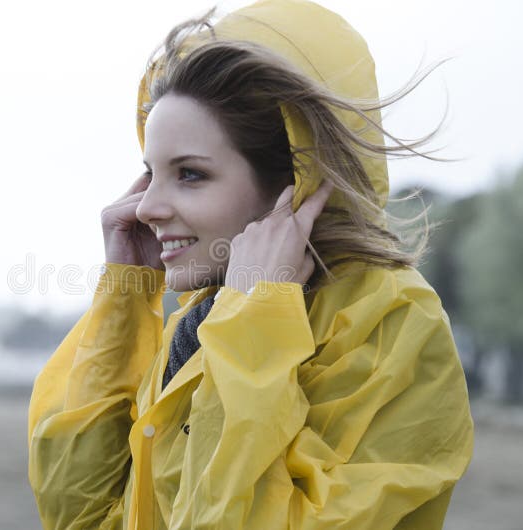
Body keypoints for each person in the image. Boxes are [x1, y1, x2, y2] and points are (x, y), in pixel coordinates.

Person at [27, 1, 474, 528]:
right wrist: (126, 297)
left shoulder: (393, 324)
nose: (144, 207)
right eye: (151, 173)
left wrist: (256, 327)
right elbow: (77, 515)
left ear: (295, 179)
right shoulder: (203, 323)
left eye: (190, 174)